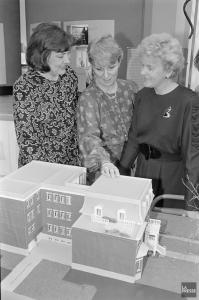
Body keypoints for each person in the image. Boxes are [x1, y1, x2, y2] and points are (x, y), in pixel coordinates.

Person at [106, 33, 199, 211]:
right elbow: (134, 139)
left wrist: (192, 205)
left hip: (172, 179)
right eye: (142, 66)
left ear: (169, 70)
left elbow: (193, 157)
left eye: (149, 68)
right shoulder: (142, 96)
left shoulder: (189, 101)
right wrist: (122, 173)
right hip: (143, 174)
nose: (142, 72)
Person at [13, 22, 80, 167]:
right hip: (40, 167)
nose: (67, 61)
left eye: (68, 54)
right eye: (60, 56)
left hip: (71, 162)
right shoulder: (24, 87)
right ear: (42, 55)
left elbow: (75, 121)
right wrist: (48, 172)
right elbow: (27, 140)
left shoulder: (69, 77)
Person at [77, 35, 138, 183]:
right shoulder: (89, 97)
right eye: (99, 69)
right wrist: (104, 161)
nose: (105, 75)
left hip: (131, 163)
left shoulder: (130, 88)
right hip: (103, 169)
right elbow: (89, 137)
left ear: (119, 61)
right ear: (91, 65)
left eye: (111, 67)